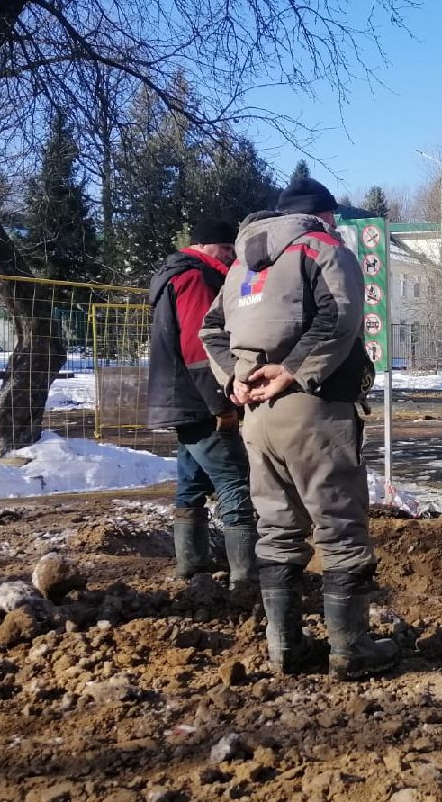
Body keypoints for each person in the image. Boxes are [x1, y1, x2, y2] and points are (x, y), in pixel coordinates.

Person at [200, 178, 398, 680]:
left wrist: (235, 380)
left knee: (277, 526)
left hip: (256, 416)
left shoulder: (240, 262)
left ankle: (284, 647)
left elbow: (211, 330)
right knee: (339, 525)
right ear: (324, 215)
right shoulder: (322, 247)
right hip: (315, 408)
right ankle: (350, 649)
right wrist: (293, 370)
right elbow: (340, 317)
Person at [146, 216, 257, 605]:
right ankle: (246, 578)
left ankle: (192, 567)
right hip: (198, 401)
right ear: (207, 246)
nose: (230, 259)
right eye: (226, 250)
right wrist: (222, 404)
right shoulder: (194, 278)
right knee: (236, 481)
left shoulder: (170, 275)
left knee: (191, 483)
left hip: (180, 399)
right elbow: (199, 349)